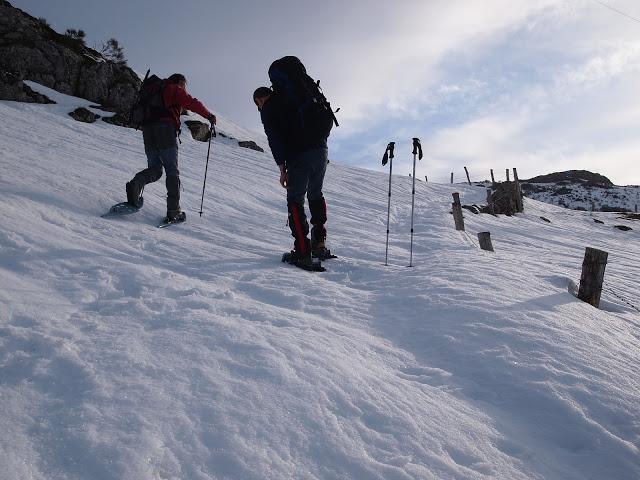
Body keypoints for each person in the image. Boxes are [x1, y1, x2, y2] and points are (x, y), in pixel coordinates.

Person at [253, 85, 330, 267]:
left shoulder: (270, 108)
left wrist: (282, 170)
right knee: (315, 195)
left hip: (300, 155)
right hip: (321, 150)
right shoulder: (294, 95)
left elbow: (275, 140)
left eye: (258, 104)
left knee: (295, 200)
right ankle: (319, 244)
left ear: (260, 100)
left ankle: (302, 251)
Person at [126, 73, 216, 223]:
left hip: (148, 130)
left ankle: (136, 184)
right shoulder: (173, 88)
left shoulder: (155, 90)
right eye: (184, 85)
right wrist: (209, 115)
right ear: (180, 82)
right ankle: (173, 211)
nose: (185, 88)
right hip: (165, 130)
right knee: (172, 171)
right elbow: (191, 102)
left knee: (155, 169)